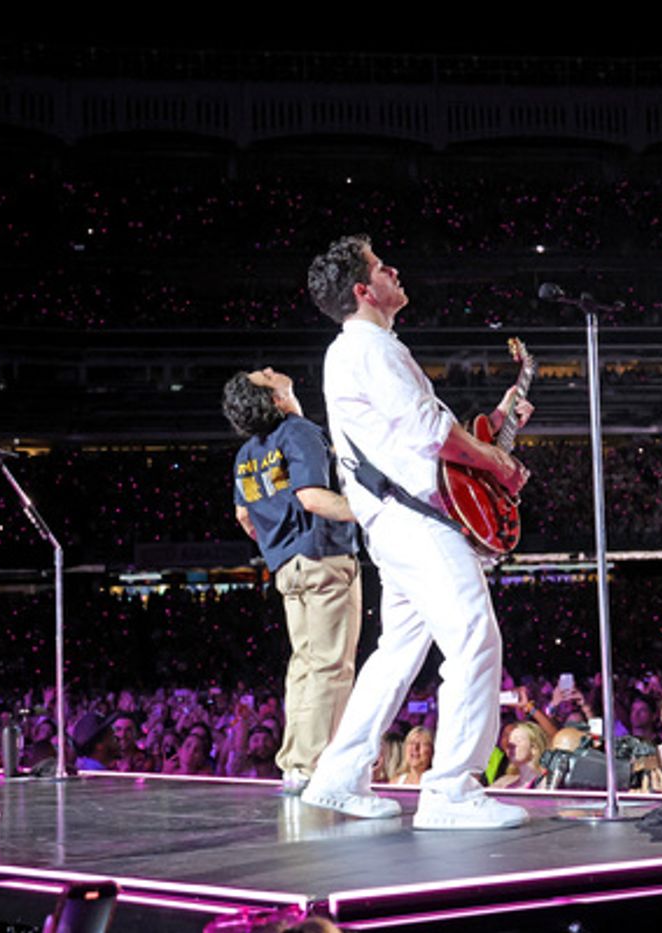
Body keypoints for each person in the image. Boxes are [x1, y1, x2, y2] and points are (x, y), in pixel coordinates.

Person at [299, 234, 532, 830]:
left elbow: (415, 440)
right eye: (381, 267)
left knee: (397, 654)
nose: (393, 271)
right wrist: (497, 460)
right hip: (413, 521)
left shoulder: (359, 350)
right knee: (474, 638)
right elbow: (431, 432)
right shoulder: (369, 347)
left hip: (395, 521)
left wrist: (495, 425)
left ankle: (337, 776)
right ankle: (451, 790)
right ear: (363, 289)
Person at [223, 367, 362, 794]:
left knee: (305, 665)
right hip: (322, 556)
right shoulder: (299, 431)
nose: (270, 370)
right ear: (275, 398)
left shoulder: (246, 453)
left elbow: (244, 516)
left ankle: (296, 763)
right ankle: (312, 766)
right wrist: (372, 510)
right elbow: (312, 497)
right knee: (331, 666)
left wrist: (278, 544)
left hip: (287, 566)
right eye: (264, 376)